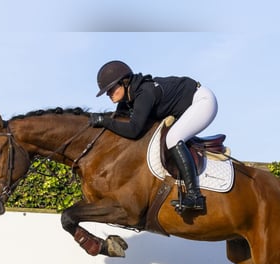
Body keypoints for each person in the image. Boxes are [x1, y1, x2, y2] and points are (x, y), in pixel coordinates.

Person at [89, 60, 218, 211]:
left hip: (203, 102)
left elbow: (134, 130)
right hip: (188, 105)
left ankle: (194, 196)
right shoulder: (129, 97)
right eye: (107, 91)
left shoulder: (145, 93)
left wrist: (103, 121)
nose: (108, 94)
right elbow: (118, 122)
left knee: (173, 138)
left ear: (124, 82)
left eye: (111, 89)